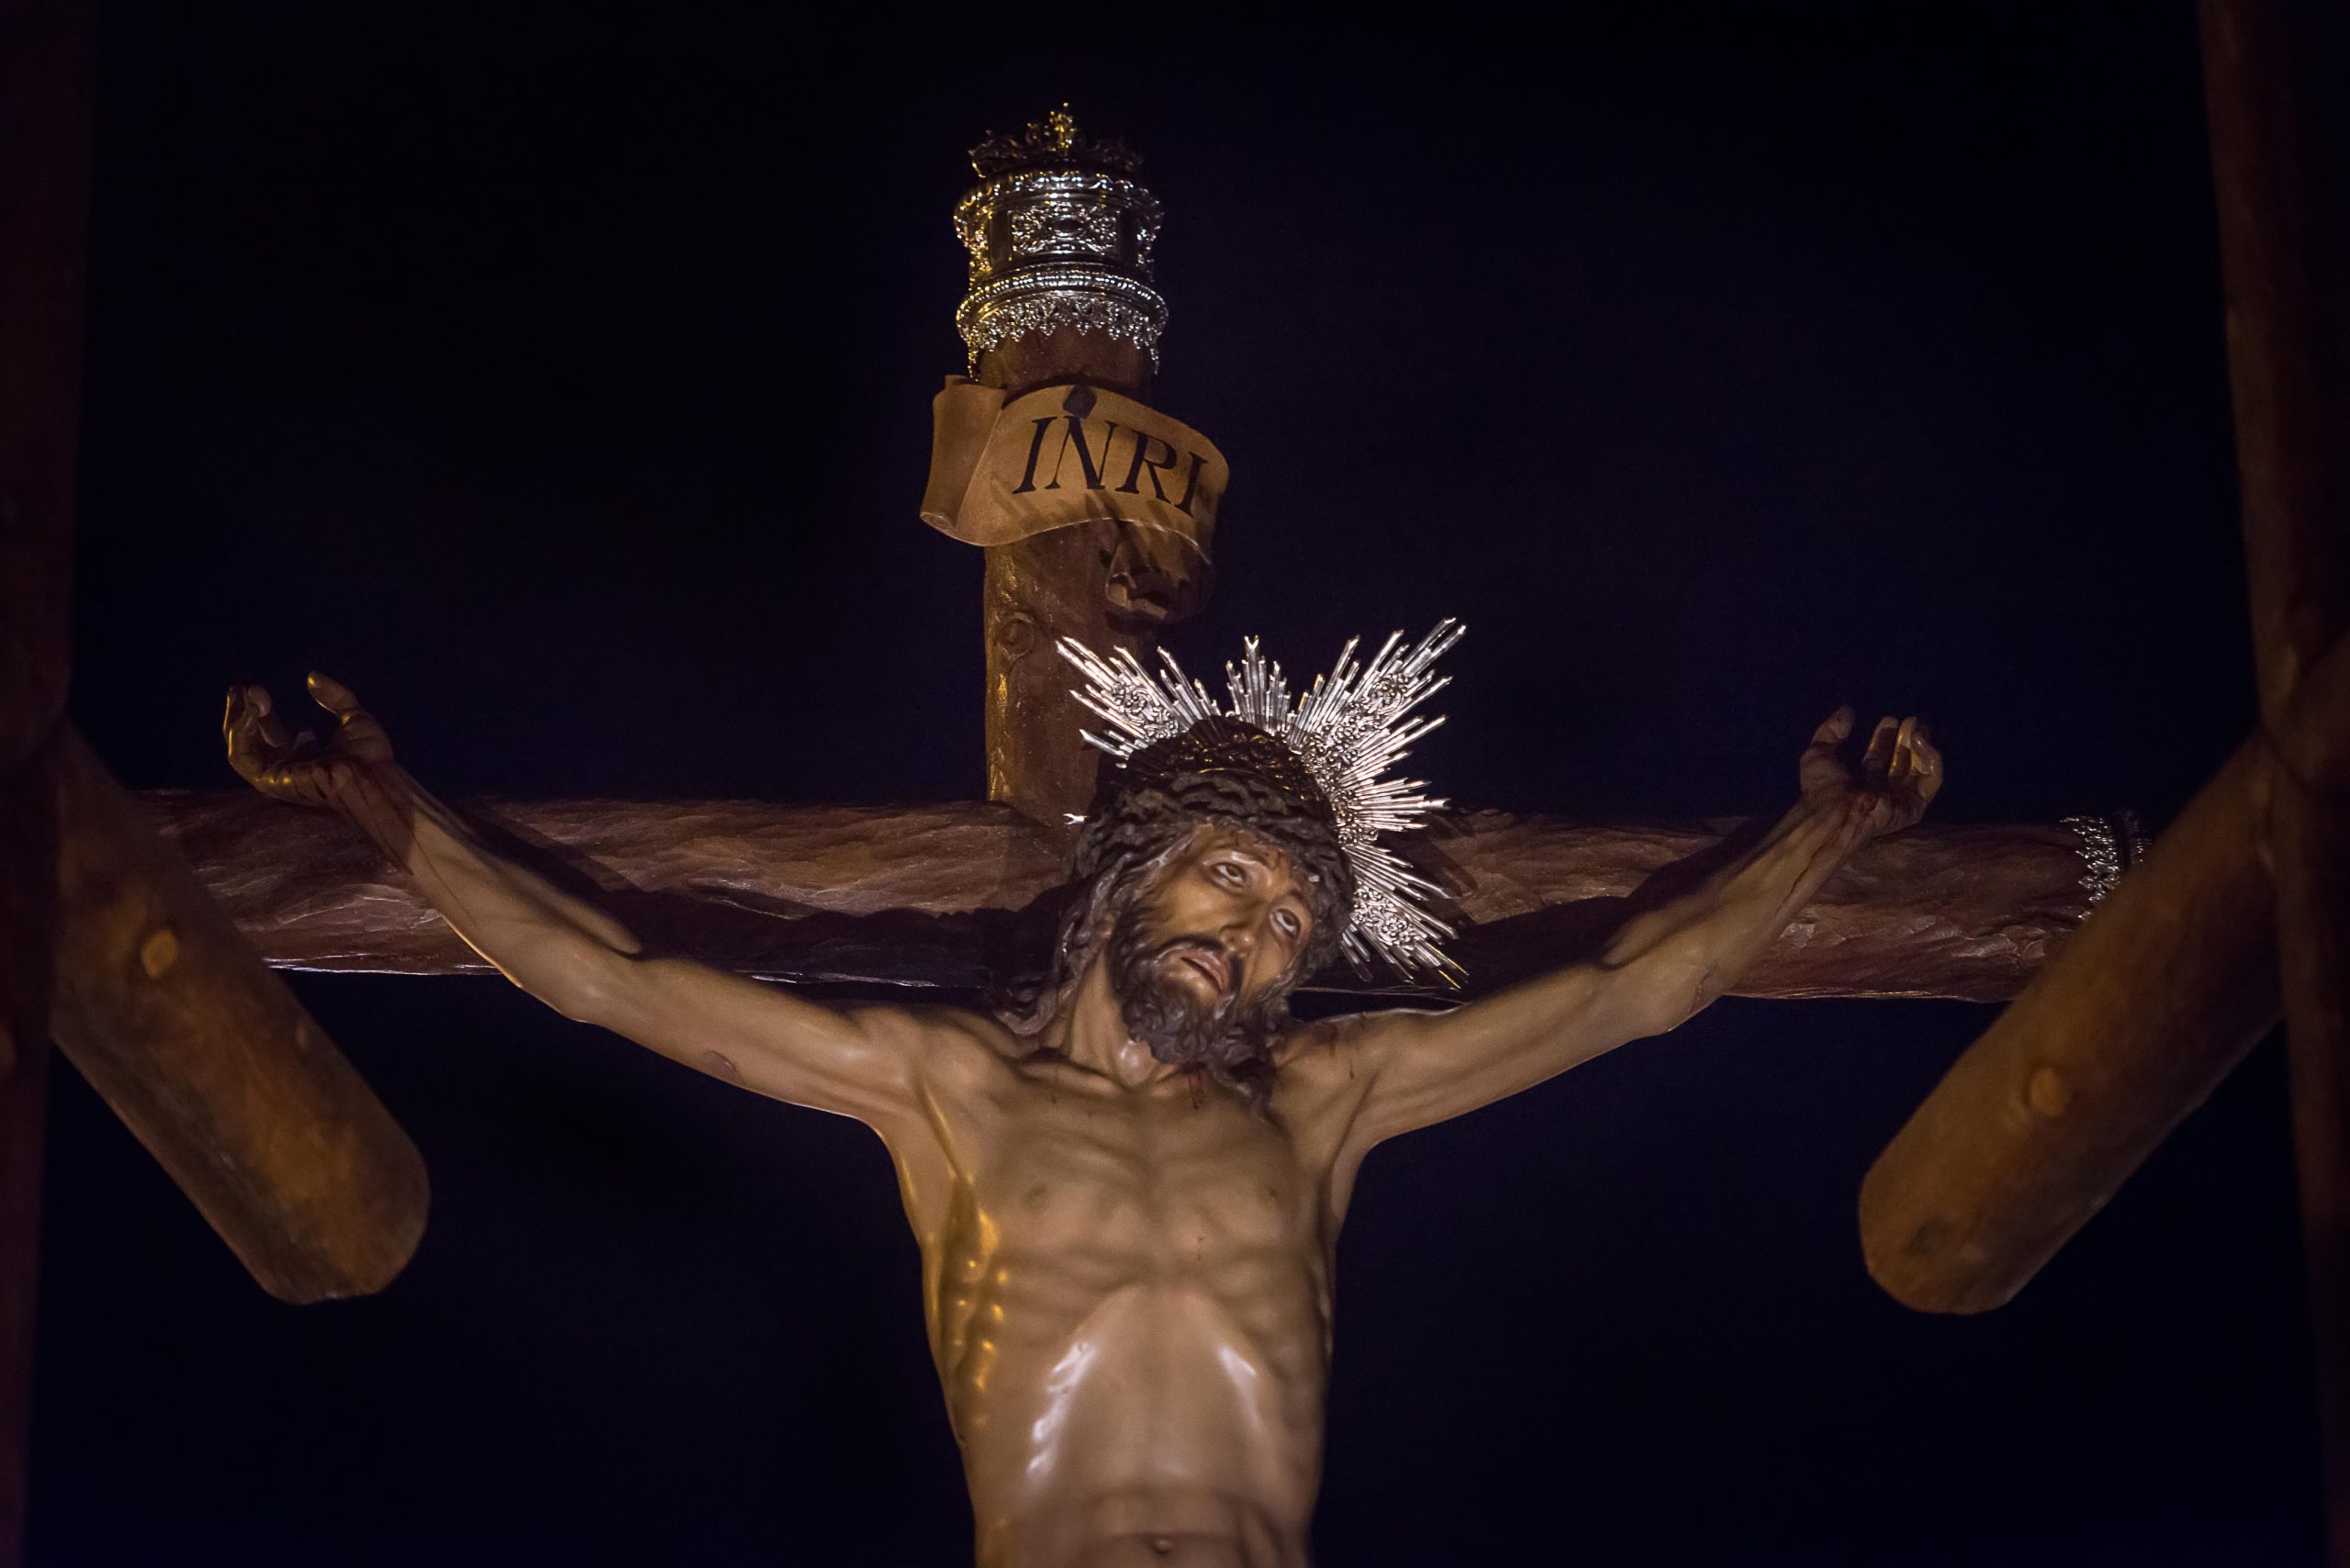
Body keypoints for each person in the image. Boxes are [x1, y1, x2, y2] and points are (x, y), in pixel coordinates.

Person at [224, 625, 1940, 1568]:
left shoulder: (1324, 1102)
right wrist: (376, 803)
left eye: (1291, 928)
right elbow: (609, 974)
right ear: (1134, 870)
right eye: (1232, 878)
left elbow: (1639, 988)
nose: (1254, 937)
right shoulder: (946, 1089)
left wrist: (1832, 834)